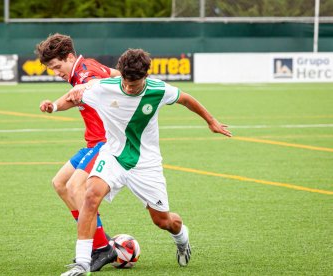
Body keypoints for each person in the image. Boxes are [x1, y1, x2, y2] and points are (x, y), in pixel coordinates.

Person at [61, 48, 232, 276]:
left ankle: (181, 237)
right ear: (121, 75)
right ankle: (82, 263)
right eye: (127, 82)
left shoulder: (158, 90)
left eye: (136, 83)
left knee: (163, 220)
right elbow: (75, 96)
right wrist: (61, 101)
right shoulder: (104, 88)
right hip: (113, 156)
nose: (130, 87)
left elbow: (187, 100)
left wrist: (212, 121)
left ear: (146, 77)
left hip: (146, 164)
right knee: (90, 196)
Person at [37, 33, 121, 271]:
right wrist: (54, 106)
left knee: (76, 187)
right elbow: (114, 75)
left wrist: (86, 85)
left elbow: (95, 82)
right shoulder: (84, 68)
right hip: (93, 142)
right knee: (60, 183)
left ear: (70, 56)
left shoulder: (85, 72)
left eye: (57, 66)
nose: (56, 72)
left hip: (107, 143)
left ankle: (102, 247)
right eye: (51, 68)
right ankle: (98, 242)